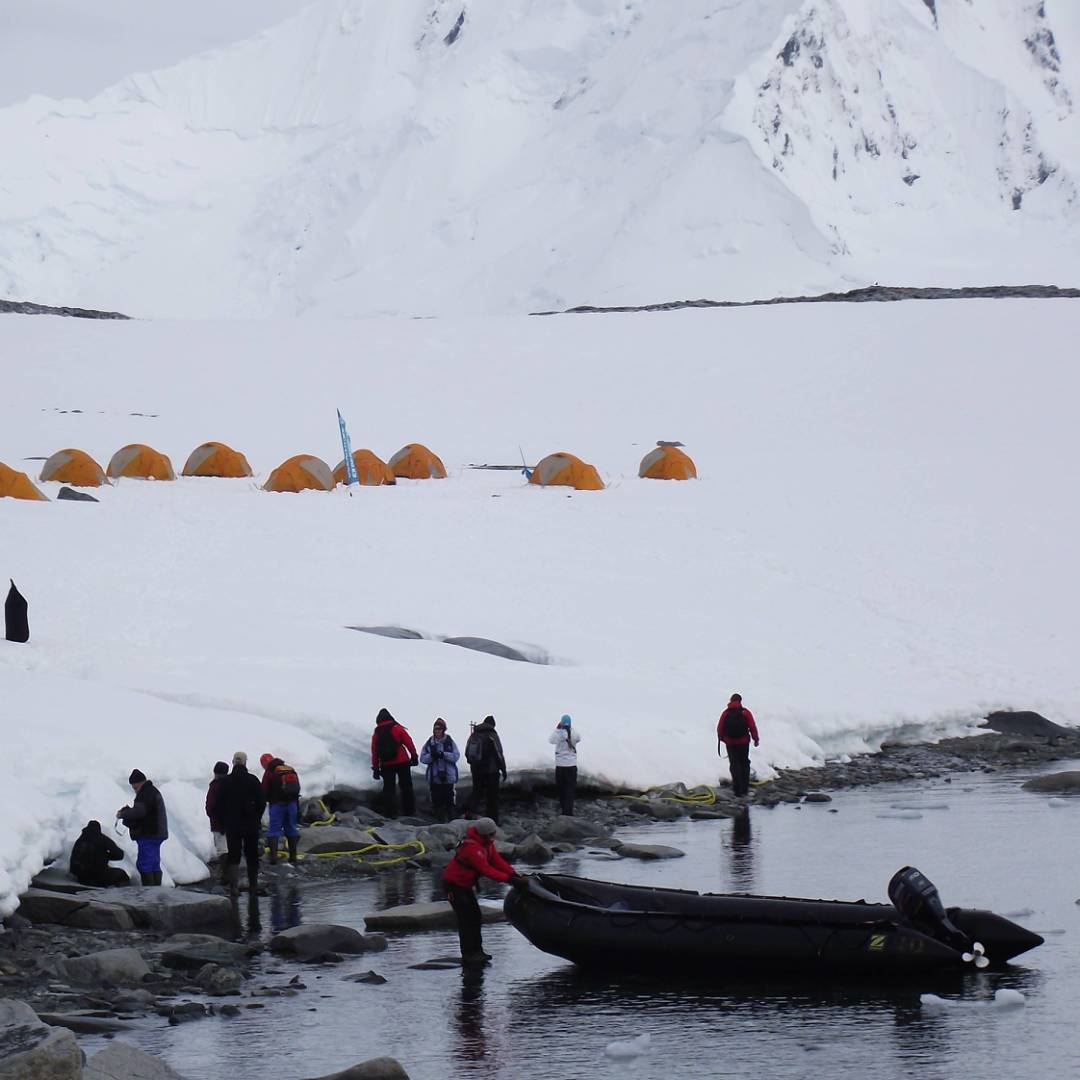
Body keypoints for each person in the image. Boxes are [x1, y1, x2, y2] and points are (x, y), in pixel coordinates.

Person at [442, 817, 523, 965]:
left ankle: (477, 951)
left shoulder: (486, 844)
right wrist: (509, 880)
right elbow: (486, 870)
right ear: (484, 834)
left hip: (465, 885)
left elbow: (497, 861)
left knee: (475, 916)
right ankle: (468, 953)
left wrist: (513, 874)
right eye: (492, 834)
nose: (494, 837)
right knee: (466, 918)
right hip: (454, 885)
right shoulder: (472, 849)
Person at [217, 750, 267, 896]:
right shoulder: (253, 780)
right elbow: (261, 802)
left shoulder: (225, 782)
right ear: (245, 763)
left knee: (234, 855)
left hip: (232, 825)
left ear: (233, 762)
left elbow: (219, 804)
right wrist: (256, 817)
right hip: (251, 824)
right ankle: (253, 886)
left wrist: (223, 821)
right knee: (251, 855)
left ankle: (234, 888)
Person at [116, 769, 168, 886]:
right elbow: (145, 812)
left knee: (145, 864)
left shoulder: (145, 793)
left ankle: (149, 893)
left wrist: (123, 814)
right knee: (154, 863)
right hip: (157, 833)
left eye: (134, 787)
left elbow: (139, 812)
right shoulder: (152, 791)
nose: (134, 789)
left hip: (149, 834)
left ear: (139, 783)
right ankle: (155, 891)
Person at [371, 707, 418, 818]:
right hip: (402, 761)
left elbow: (374, 752)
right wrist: (414, 756)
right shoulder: (397, 728)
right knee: (406, 787)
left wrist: (376, 768)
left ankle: (390, 813)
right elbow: (408, 742)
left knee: (389, 789)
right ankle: (409, 811)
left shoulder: (377, 732)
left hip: (386, 764)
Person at [259, 752, 302, 864]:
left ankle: (273, 859)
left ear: (264, 763)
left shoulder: (269, 772)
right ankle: (293, 857)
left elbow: (263, 790)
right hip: (292, 804)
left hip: (277, 805)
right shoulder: (288, 769)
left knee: (274, 830)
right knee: (291, 828)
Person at [465, 715, 507, 824]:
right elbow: (499, 754)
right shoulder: (492, 734)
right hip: (491, 771)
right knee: (492, 796)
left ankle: (469, 813)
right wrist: (503, 770)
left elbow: (467, 752)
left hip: (476, 769)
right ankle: (492, 820)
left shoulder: (474, 734)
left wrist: (474, 764)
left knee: (476, 792)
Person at [717, 693, 759, 797]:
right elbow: (752, 726)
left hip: (730, 743)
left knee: (734, 764)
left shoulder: (725, 713)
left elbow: (719, 728)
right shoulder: (745, 712)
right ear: (740, 701)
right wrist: (756, 739)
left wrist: (723, 739)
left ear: (731, 700)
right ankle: (744, 788)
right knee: (744, 763)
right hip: (743, 742)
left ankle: (737, 789)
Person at [419, 718, 461, 822]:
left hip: (448, 777)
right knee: (437, 800)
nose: (437, 731)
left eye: (439, 729)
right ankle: (439, 820)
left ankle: (451, 820)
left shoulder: (450, 742)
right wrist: (432, 756)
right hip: (435, 777)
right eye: (435, 729)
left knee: (449, 799)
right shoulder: (429, 743)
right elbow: (423, 758)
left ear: (443, 730)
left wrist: (443, 755)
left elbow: (456, 756)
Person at [69, 820, 129, 887]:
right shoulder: (102, 839)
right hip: (98, 877)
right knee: (122, 874)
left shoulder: (79, 840)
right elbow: (120, 855)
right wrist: (106, 856)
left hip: (81, 878)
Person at [548, 714, 581, 816]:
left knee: (561, 789)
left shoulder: (558, 734)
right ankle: (569, 811)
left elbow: (551, 740)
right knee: (570, 789)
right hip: (571, 765)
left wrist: (557, 729)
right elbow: (579, 738)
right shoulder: (574, 733)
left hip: (560, 765)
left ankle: (563, 810)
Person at [205, 761, 230, 866]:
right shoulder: (231, 784)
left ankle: (226, 875)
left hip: (218, 824)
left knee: (222, 850)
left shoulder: (215, 786)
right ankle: (232, 874)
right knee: (230, 848)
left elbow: (210, 804)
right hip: (232, 822)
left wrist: (211, 814)